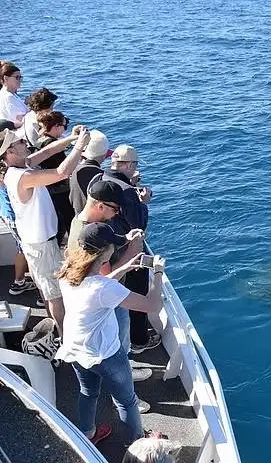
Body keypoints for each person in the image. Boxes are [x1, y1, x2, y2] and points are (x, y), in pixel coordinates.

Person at [55, 222, 167, 445]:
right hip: (106, 354)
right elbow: (152, 305)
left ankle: (88, 434)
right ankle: (137, 445)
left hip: (76, 350)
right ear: (104, 253)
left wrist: (123, 269)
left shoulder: (68, 271)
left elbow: (99, 286)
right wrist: (157, 272)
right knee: (127, 402)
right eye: (112, 247)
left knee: (88, 393)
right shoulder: (104, 289)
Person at [69, 180, 156, 411]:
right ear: (100, 205)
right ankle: (127, 394)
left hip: (86, 318)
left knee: (88, 391)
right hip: (107, 305)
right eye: (114, 209)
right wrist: (135, 249)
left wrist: (125, 240)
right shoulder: (93, 242)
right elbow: (106, 278)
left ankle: (125, 373)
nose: (115, 214)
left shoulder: (83, 225)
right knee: (118, 352)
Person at [0, 126, 90, 334]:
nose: (25, 142)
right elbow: (62, 172)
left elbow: (47, 152)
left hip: (34, 241)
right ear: (10, 152)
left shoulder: (20, 168)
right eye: (19, 142)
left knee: (46, 289)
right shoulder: (22, 177)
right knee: (55, 295)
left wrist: (71, 139)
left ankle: (57, 331)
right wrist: (80, 146)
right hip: (41, 244)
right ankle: (64, 335)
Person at [92, 144, 160, 354]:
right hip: (128, 251)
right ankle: (139, 340)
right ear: (130, 165)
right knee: (135, 293)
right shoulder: (129, 192)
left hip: (107, 248)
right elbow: (138, 225)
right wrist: (143, 202)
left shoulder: (99, 179)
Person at [34, 111, 76, 242]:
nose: (64, 129)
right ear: (56, 126)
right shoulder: (50, 144)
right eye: (64, 126)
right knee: (68, 221)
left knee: (56, 222)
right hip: (60, 190)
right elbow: (66, 166)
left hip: (48, 189)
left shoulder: (40, 140)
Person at [0, 164, 37, 296]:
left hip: (7, 215)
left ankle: (20, 281)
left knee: (22, 248)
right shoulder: (7, 175)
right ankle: (22, 283)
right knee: (27, 250)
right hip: (13, 217)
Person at [69, 130, 112, 215]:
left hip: (77, 218)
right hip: (93, 222)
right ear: (104, 155)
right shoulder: (99, 175)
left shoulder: (74, 169)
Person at [0, 61, 28, 129]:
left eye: (20, 77)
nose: (20, 80)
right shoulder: (8, 97)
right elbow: (19, 119)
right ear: (6, 78)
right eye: (17, 77)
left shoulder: (10, 95)